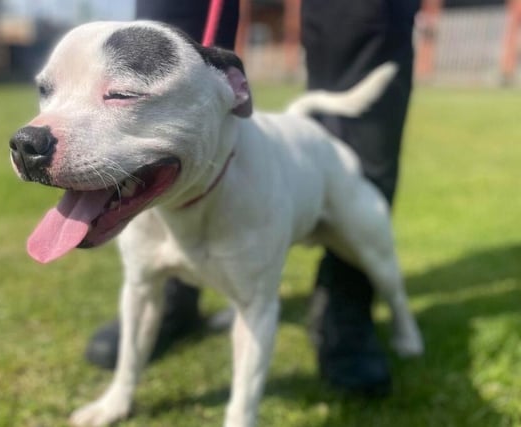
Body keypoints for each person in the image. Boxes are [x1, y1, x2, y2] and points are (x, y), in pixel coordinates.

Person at [86, 0, 420, 396]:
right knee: (171, 17)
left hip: (319, 165)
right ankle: (173, 310)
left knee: (361, 18)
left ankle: (360, 307)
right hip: (178, 192)